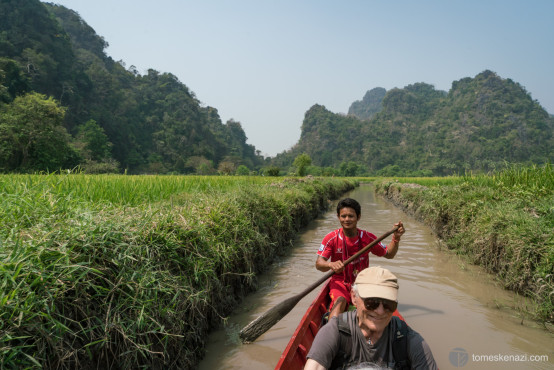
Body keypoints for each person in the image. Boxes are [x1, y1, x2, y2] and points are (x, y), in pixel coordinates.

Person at [305, 266, 437, 370]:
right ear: (354, 297)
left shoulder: (409, 340)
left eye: (388, 304)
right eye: (371, 302)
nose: (380, 311)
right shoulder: (334, 331)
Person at [316, 198, 404, 319]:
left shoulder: (368, 238)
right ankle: (333, 331)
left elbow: (389, 254)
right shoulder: (331, 238)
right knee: (339, 304)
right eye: (343, 216)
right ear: (338, 217)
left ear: (358, 217)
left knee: (373, 309)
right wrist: (330, 265)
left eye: (351, 216)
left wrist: (396, 238)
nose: (347, 219)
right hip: (339, 282)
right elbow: (319, 264)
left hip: (361, 282)